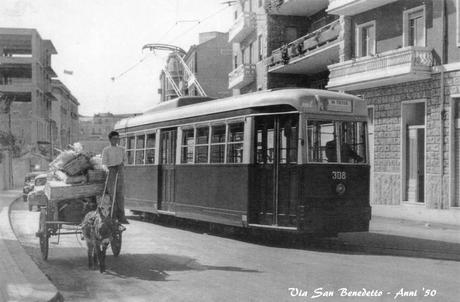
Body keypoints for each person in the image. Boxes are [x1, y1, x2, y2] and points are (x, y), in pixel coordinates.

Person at [102, 131, 129, 224]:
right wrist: (108, 170)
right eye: (114, 139)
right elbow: (104, 163)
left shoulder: (122, 149)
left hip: (120, 171)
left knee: (120, 195)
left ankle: (122, 216)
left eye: (117, 139)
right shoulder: (106, 150)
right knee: (112, 194)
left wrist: (122, 165)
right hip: (111, 172)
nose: (116, 140)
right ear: (110, 139)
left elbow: (125, 160)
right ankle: (112, 215)